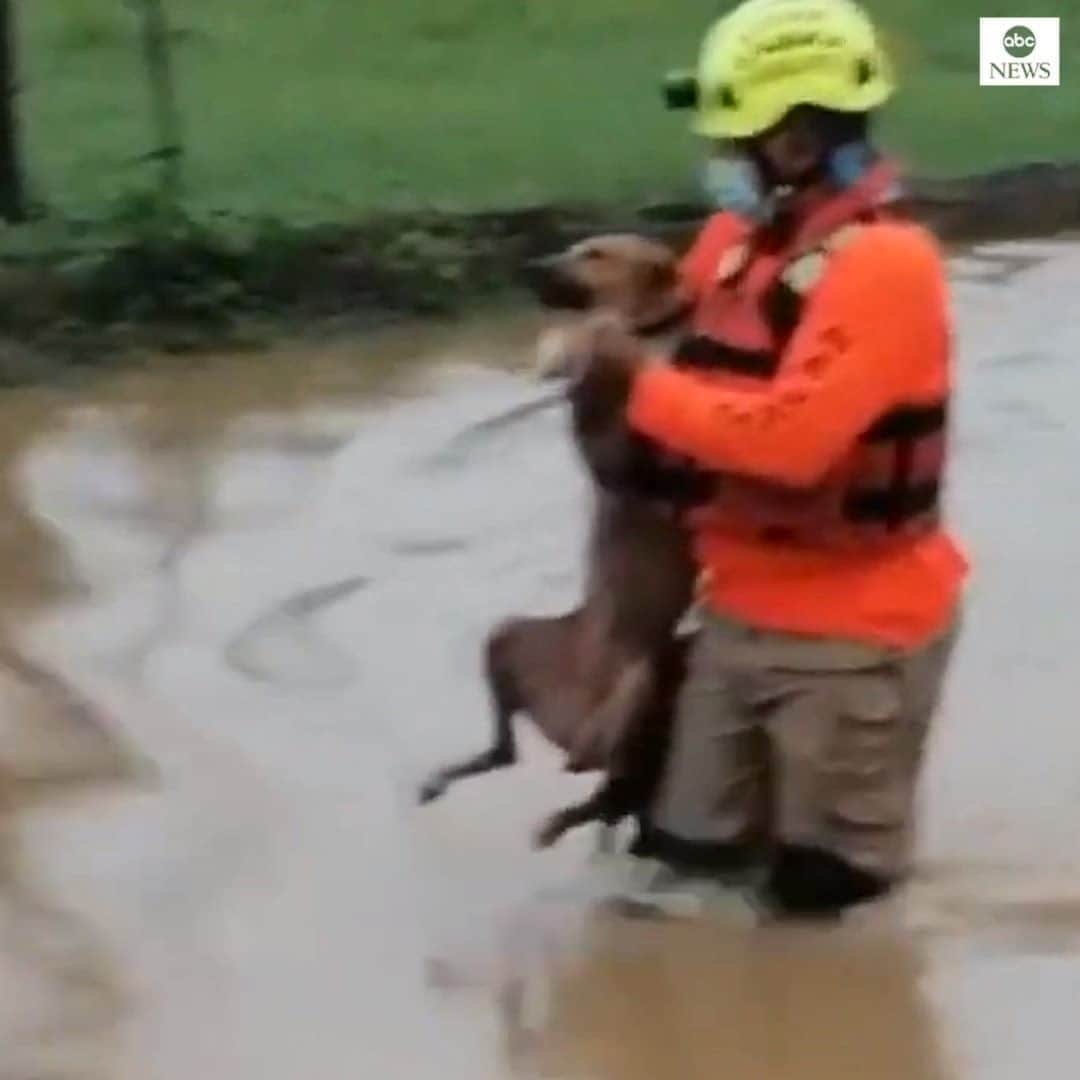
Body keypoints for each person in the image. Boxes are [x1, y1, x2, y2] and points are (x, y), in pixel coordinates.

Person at [583, 0, 969, 919]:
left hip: (852, 636)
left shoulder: (886, 265)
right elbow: (678, 376)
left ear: (793, 143)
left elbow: (794, 447)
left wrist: (634, 378)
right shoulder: (734, 246)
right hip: (734, 615)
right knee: (671, 876)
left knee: (827, 913)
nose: (718, 159)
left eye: (733, 138)